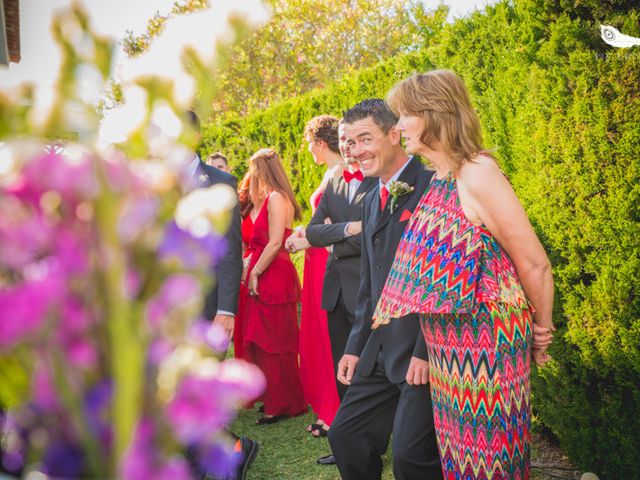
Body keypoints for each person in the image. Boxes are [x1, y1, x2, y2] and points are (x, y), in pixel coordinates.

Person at [372, 70, 556, 479]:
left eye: (405, 114)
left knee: (491, 459)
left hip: (486, 343)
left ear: (435, 113)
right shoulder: (441, 177)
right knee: (461, 458)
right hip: (449, 350)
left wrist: (541, 331)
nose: (398, 125)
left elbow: (534, 262)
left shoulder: (477, 172)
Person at [327, 99, 442, 480]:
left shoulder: (433, 185)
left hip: (421, 351)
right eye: (351, 143)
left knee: (411, 461)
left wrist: (426, 351)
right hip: (378, 349)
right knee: (346, 436)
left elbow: (442, 278)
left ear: (394, 135)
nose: (355, 151)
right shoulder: (369, 197)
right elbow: (368, 287)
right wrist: (355, 347)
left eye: (365, 139)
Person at [184, 111, 258, 480]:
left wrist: (226, 310)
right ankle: (225, 452)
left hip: (209, 309)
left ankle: (228, 452)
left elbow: (230, 252)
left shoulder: (220, 181)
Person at [286, 115, 343, 439]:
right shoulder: (328, 173)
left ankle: (336, 412)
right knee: (318, 335)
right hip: (316, 258)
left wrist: (308, 237)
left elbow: (341, 222)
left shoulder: (344, 173)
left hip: (328, 260)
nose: (308, 150)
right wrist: (305, 231)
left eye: (310, 143)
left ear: (321, 143)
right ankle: (327, 409)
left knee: (328, 334)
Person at [243, 148, 307, 424]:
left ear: (260, 169)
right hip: (257, 270)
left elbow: (274, 241)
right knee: (259, 339)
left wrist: (255, 271)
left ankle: (284, 402)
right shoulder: (260, 200)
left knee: (276, 341)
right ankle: (271, 395)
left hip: (273, 271)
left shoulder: (277, 198)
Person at [233, 172, 257, 361]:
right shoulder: (243, 210)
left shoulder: (272, 204)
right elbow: (240, 244)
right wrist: (242, 269)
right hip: (245, 269)